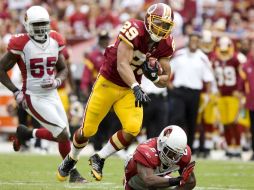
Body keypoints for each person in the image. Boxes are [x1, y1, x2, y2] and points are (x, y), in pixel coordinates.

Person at [57, 3, 175, 182]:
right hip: (109, 82)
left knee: (133, 128)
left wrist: (155, 78)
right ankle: (71, 158)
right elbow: (122, 64)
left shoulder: (166, 43)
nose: (161, 28)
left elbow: (166, 79)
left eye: (166, 25)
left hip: (129, 88)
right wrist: (136, 86)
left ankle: (99, 157)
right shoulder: (134, 29)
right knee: (87, 130)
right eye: (159, 22)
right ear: (148, 20)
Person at [0, 6, 86, 183]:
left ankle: (27, 134)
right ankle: (73, 173)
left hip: (52, 94)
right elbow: (0, 69)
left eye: (43, 24)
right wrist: (15, 91)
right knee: (62, 133)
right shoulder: (21, 44)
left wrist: (57, 81)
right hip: (33, 95)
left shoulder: (55, 39)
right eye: (36, 24)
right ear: (27, 25)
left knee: (65, 134)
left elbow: (63, 69)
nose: (40, 28)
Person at [168, 32, 214, 152]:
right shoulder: (179, 54)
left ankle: (189, 148)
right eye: (192, 40)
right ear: (188, 40)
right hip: (179, 91)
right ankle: (172, 146)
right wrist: (169, 85)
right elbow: (168, 70)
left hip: (194, 93)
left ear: (199, 42)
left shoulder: (203, 58)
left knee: (192, 121)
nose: (194, 43)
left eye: (196, 40)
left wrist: (208, 95)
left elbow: (208, 79)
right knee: (177, 118)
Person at [124, 125, 196, 190]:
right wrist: (177, 180)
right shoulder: (146, 150)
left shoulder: (184, 154)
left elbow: (191, 182)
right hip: (136, 180)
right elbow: (149, 180)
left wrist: (183, 180)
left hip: (160, 177)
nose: (172, 157)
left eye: (176, 154)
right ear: (162, 143)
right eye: (169, 152)